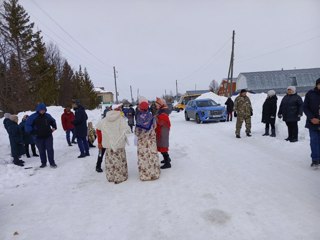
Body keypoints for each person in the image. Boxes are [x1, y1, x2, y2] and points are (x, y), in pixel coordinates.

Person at [96, 103, 131, 184]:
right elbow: (128, 130)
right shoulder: (121, 119)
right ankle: (120, 176)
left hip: (108, 145)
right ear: (118, 110)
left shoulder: (104, 119)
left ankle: (111, 176)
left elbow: (98, 128)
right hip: (119, 145)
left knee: (111, 161)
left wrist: (100, 141)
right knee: (119, 161)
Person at [25, 103, 57, 168]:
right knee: (41, 150)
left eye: (43, 110)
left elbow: (53, 121)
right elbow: (27, 125)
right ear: (38, 110)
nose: (42, 111)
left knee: (50, 149)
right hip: (38, 137)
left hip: (48, 136)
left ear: (45, 110)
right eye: (41, 110)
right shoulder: (33, 117)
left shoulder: (47, 116)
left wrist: (54, 126)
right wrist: (32, 132)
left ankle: (52, 163)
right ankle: (43, 163)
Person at [135, 100, 160, 181]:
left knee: (144, 158)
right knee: (152, 157)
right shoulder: (151, 116)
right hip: (151, 141)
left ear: (140, 109)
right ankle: (154, 174)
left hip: (142, 143)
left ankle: (145, 175)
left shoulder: (139, 118)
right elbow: (155, 126)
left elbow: (137, 132)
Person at [303, 78, 320, 167]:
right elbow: (305, 107)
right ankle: (315, 159)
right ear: (317, 85)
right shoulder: (310, 94)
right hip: (312, 122)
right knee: (314, 141)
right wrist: (311, 118)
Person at [155, 97, 172, 169]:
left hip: (163, 131)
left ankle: (167, 163)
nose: (156, 106)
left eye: (157, 105)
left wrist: (156, 119)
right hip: (162, 130)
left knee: (163, 145)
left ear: (160, 104)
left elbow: (163, 121)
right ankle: (167, 159)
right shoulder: (161, 110)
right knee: (162, 145)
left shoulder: (163, 112)